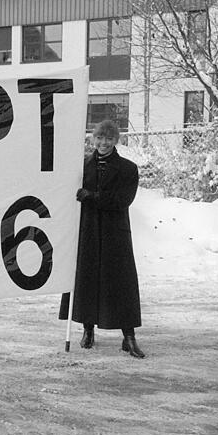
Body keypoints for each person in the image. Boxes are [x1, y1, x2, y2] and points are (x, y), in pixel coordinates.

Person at [60, 119, 145, 358]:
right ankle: (87, 329)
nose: (103, 143)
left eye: (108, 139)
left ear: (116, 141)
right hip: (87, 231)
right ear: (92, 138)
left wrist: (91, 197)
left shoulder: (128, 169)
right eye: (99, 138)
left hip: (114, 232)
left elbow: (122, 201)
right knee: (86, 280)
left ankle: (129, 337)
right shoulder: (82, 167)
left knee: (120, 283)